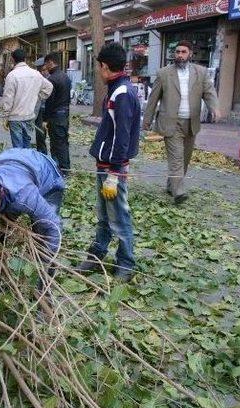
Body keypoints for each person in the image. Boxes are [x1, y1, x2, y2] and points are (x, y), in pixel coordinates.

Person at [76, 43, 141, 282]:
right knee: (103, 216)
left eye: (99, 68)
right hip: (105, 166)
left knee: (119, 216)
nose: (99, 72)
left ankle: (126, 263)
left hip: (113, 169)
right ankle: (97, 255)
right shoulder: (117, 90)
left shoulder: (121, 93)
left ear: (105, 66)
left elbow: (122, 136)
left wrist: (114, 174)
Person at [142, 40, 219, 205]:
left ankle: (172, 185)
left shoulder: (201, 72)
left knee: (185, 158)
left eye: (183, 52)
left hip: (191, 123)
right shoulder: (164, 73)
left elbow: (209, 92)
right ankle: (179, 191)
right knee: (176, 157)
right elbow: (153, 98)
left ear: (190, 53)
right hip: (171, 122)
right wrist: (146, 120)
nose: (180, 55)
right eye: (177, 52)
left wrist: (214, 108)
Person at [0, 49, 53, 149]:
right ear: (25, 59)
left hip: (15, 118)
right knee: (27, 144)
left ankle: (21, 163)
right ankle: (26, 163)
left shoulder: (12, 76)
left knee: (18, 147)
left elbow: (8, 98)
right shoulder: (36, 74)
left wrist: (5, 117)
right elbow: (49, 87)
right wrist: (38, 96)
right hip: (29, 116)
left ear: (12, 60)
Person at [43, 52, 72, 176]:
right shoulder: (65, 76)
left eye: (46, 64)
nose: (45, 67)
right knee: (63, 141)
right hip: (64, 113)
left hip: (55, 115)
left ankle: (63, 169)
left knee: (57, 143)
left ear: (51, 62)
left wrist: (45, 119)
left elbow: (50, 102)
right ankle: (62, 167)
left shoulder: (52, 79)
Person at [33, 57, 50, 155]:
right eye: (41, 70)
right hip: (39, 110)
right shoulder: (37, 79)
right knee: (40, 134)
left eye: (45, 70)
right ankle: (42, 153)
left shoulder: (52, 79)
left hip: (49, 110)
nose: (44, 72)